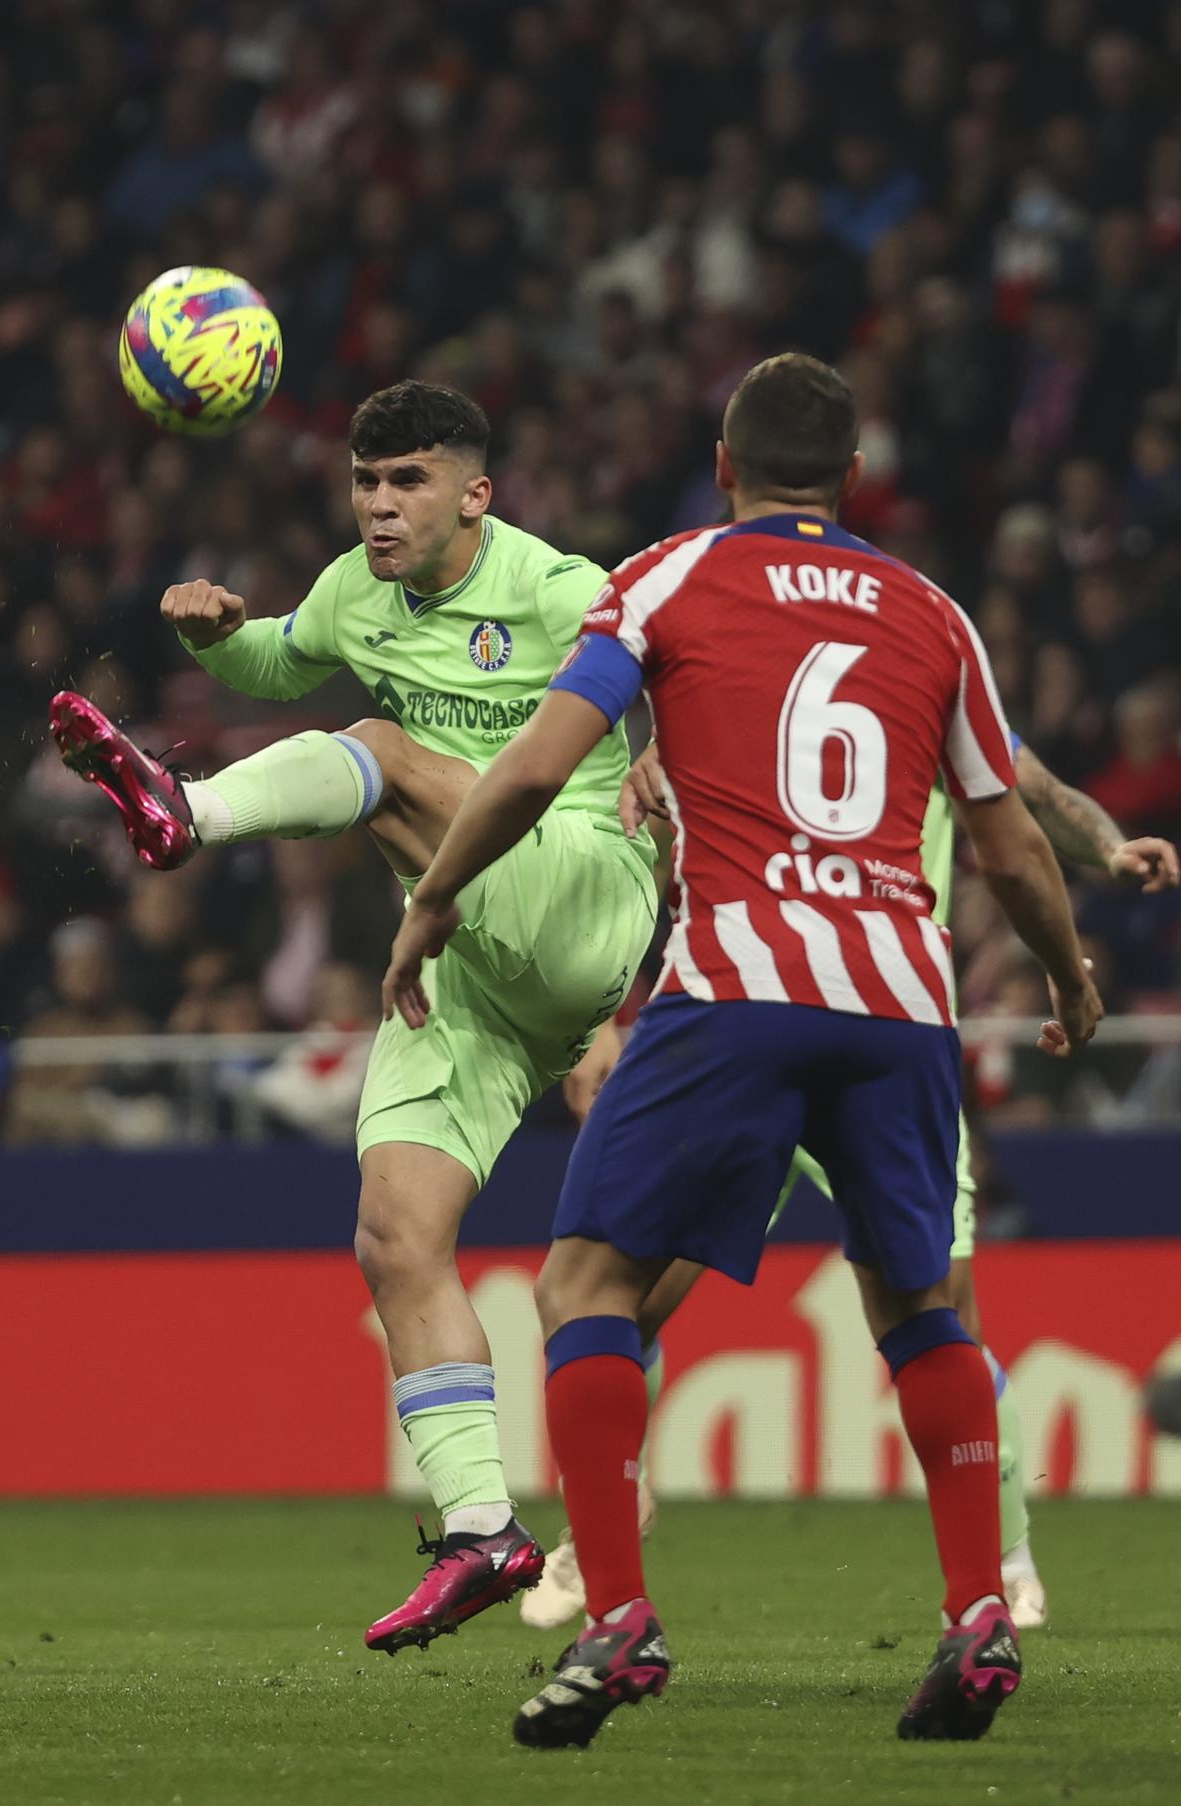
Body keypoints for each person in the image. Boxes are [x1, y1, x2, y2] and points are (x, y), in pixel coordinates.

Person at [381, 353, 1105, 1748]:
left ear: (724, 464)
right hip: (899, 996)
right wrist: (1070, 974)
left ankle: (621, 1616)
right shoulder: (934, 612)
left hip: (737, 984)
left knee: (583, 1280)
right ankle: (976, 1606)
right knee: (918, 1308)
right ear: (853, 475)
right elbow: (1007, 838)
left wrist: (429, 901)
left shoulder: (665, 579)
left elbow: (534, 766)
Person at [49, 380, 658, 1654]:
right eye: (367, 484)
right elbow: (282, 658)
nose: (380, 508)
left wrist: (664, 747)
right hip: (461, 960)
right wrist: (220, 636)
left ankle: (188, 811)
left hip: (584, 894)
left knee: (380, 745)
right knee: (397, 1232)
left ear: (475, 494)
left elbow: (679, 665)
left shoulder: (560, 588)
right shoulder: (351, 588)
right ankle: (486, 1529)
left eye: (410, 483)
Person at [523, 738, 1179, 1635]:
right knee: (621, 1303)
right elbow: (648, 846)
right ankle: (604, 1521)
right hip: (772, 1027)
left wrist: (1106, 846)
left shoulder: (922, 689)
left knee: (944, 1313)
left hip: (864, 1027)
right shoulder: (758, 690)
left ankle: (1008, 1565)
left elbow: (1037, 794)